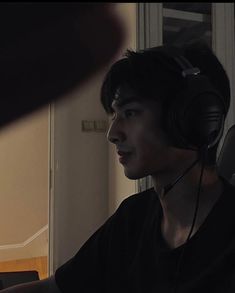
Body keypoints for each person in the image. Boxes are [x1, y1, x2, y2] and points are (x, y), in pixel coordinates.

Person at [2, 40, 235, 292]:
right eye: (114, 115)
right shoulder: (133, 216)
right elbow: (56, 288)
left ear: (193, 118)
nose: (112, 133)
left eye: (131, 113)